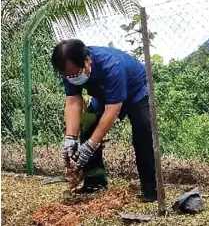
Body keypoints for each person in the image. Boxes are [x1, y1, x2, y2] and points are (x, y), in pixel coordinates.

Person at [51, 39, 157, 202]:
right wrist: (70, 138)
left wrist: (91, 145)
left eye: (74, 74)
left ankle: (150, 189)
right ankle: (95, 183)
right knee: (88, 129)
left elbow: (112, 110)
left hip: (135, 92)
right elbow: (73, 102)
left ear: (87, 61)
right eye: (67, 76)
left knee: (143, 132)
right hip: (104, 95)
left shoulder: (111, 66)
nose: (71, 78)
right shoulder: (69, 70)